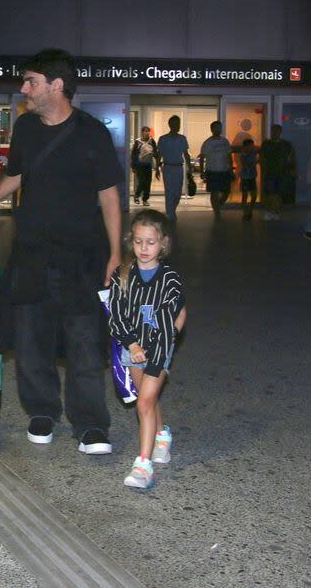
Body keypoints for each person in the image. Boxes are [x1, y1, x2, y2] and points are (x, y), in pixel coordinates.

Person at [0, 48, 122, 455]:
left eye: (31, 81)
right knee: (32, 337)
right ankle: (42, 411)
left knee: (84, 340)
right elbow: (15, 175)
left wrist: (115, 252)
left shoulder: (93, 133)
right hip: (32, 252)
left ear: (56, 86)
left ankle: (89, 423)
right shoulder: (26, 129)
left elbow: (109, 196)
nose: (24, 89)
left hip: (82, 256)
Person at [107, 209, 187, 489]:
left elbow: (178, 314)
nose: (144, 248)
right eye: (139, 241)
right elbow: (116, 313)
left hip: (158, 348)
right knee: (147, 399)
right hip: (133, 347)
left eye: (150, 242)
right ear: (132, 241)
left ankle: (143, 465)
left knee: (143, 403)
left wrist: (161, 345)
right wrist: (132, 343)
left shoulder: (170, 279)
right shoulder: (122, 275)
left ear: (163, 243)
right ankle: (162, 435)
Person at [157, 115, 191, 223]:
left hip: (178, 168)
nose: (177, 126)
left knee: (177, 193)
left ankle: (171, 211)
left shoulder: (182, 139)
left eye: (178, 124)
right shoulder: (163, 139)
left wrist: (189, 167)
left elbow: (186, 154)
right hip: (167, 167)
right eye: (175, 124)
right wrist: (157, 168)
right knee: (169, 192)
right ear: (170, 125)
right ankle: (170, 214)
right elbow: (159, 154)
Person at [259, 124, 296, 221]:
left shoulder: (286, 144)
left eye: (277, 131)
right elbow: (262, 158)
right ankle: (268, 211)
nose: (274, 133)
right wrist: (263, 170)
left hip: (283, 173)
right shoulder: (266, 144)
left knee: (279, 194)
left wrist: (293, 170)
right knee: (269, 193)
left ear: (280, 132)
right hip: (269, 172)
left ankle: (276, 211)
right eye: (273, 131)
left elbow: (292, 158)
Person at [199, 121, 233, 214]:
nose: (218, 130)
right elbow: (202, 158)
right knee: (214, 192)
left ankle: (219, 205)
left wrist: (231, 169)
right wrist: (202, 171)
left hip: (224, 171)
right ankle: (217, 212)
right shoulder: (208, 142)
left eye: (219, 128)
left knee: (227, 191)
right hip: (212, 171)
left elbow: (229, 156)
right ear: (212, 129)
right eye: (216, 128)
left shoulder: (225, 141)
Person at [131, 126, 161, 206]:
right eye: (145, 131)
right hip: (139, 165)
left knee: (148, 183)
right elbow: (133, 154)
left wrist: (157, 164)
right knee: (142, 181)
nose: (147, 132)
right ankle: (137, 195)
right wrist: (133, 166)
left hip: (148, 165)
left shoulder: (152, 141)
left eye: (148, 131)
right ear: (142, 132)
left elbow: (156, 153)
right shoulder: (138, 142)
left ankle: (145, 199)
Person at [239, 138, 258, 221]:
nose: (252, 147)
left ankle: (250, 210)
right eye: (250, 146)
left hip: (252, 177)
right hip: (245, 178)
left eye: (252, 146)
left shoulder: (253, 154)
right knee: (245, 195)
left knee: (254, 195)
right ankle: (246, 212)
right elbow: (247, 164)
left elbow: (253, 163)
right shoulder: (243, 155)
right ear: (245, 146)